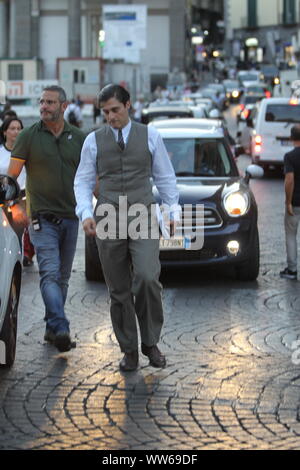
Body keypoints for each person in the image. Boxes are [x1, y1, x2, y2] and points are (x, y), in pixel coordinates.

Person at [74, 84, 180, 372]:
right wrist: (85, 212)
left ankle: (150, 342)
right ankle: (129, 349)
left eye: (115, 110)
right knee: (118, 289)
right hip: (107, 216)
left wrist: (172, 212)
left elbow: (165, 178)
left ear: (128, 105)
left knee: (147, 277)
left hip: (143, 213)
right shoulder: (93, 141)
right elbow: (82, 180)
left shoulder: (151, 136)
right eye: (105, 112)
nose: (110, 117)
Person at [7, 85, 85, 352]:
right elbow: (12, 177)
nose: (44, 106)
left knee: (62, 278)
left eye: (50, 102)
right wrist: (8, 194)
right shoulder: (28, 136)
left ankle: (52, 329)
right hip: (41, 218)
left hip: (72, 218)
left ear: (64, 106)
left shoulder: (80, 137)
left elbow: (89, 179)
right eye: (42, 102)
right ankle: (61, 325)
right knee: (49, 274)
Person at [0, 117, 34, 265]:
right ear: (4, 132)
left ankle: (18, 264)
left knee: (18, 234)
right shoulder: (1, 152)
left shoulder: (28, 152)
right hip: (2, 200)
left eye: (19, 128)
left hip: (21, 199)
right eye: (12, 128)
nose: (16, 132)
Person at [280, 125, 300, 280]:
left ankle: (292, 269)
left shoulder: (290, 156)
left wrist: (288, 201)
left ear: (292, 138)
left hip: (296, 203)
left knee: (291, 235)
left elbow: (289, 180)